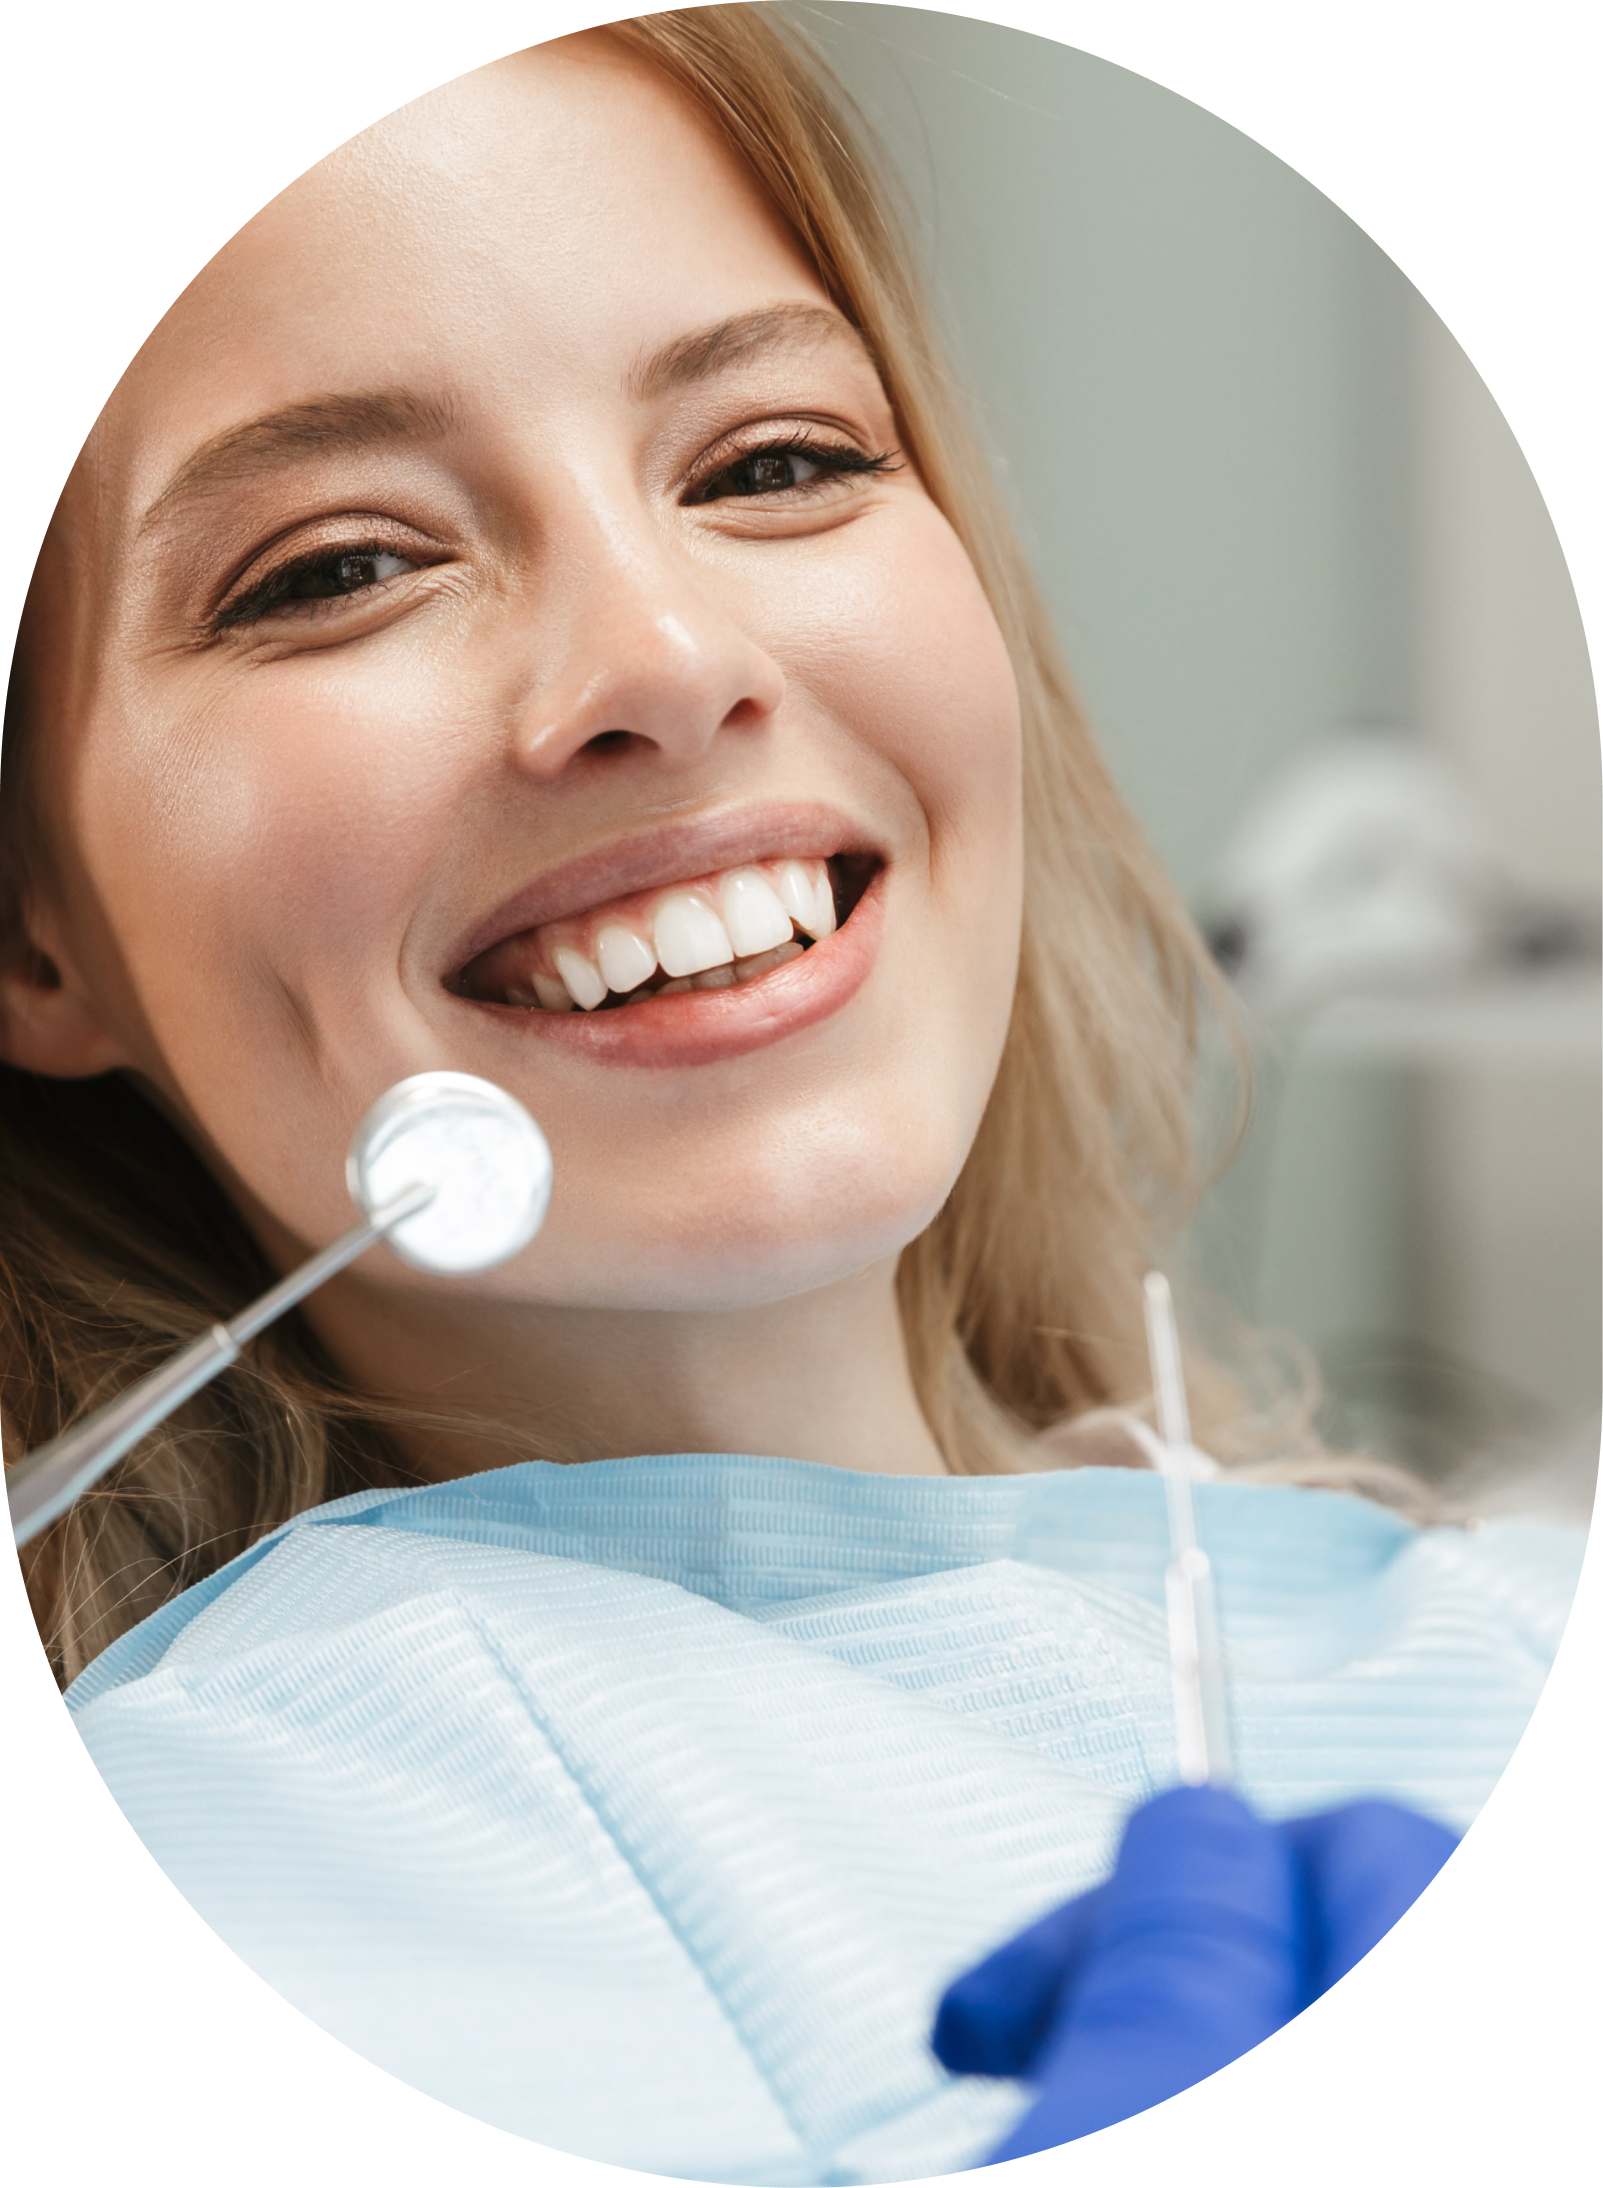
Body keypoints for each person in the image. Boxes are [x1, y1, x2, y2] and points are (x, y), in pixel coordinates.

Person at [0, 12, 1580, 2176]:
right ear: (31, 935)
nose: (660, 654)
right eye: (340, 565)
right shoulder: (263, 1805)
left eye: (774, 461)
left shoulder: (1477, 1610)